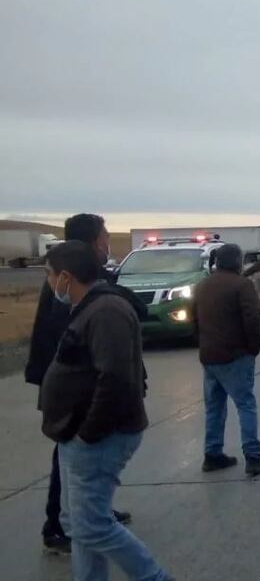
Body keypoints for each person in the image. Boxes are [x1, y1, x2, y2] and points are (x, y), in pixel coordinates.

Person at [40, 242, 171, 581]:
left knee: (93, 526)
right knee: (78, 525)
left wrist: (88, 434)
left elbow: (115, 378)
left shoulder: (106, 311)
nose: (50, 283)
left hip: (98, 437)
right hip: (77, 433)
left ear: (66, 276)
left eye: (50, 276)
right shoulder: (88, 307)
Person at [24, 213, 133, 555]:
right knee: (69, 456)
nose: (106, 242)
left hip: (72, 381)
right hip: (71, 385)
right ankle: (58, 525)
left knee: (84, 456)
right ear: (91, 242)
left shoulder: (77, 277)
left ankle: (93, 510)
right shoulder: (70, 281)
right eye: (103, 236)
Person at [192, 244, 260, 477]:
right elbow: (253, 319)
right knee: (245, 404)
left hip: (209, 356)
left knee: (214, 408)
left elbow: (194, 320)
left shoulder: (202, 285)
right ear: (237, 261)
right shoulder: (242, 285)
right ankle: (253, 457)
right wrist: (253, 348)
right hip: (235, 355)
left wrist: (203, 344)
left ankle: (212, 454)